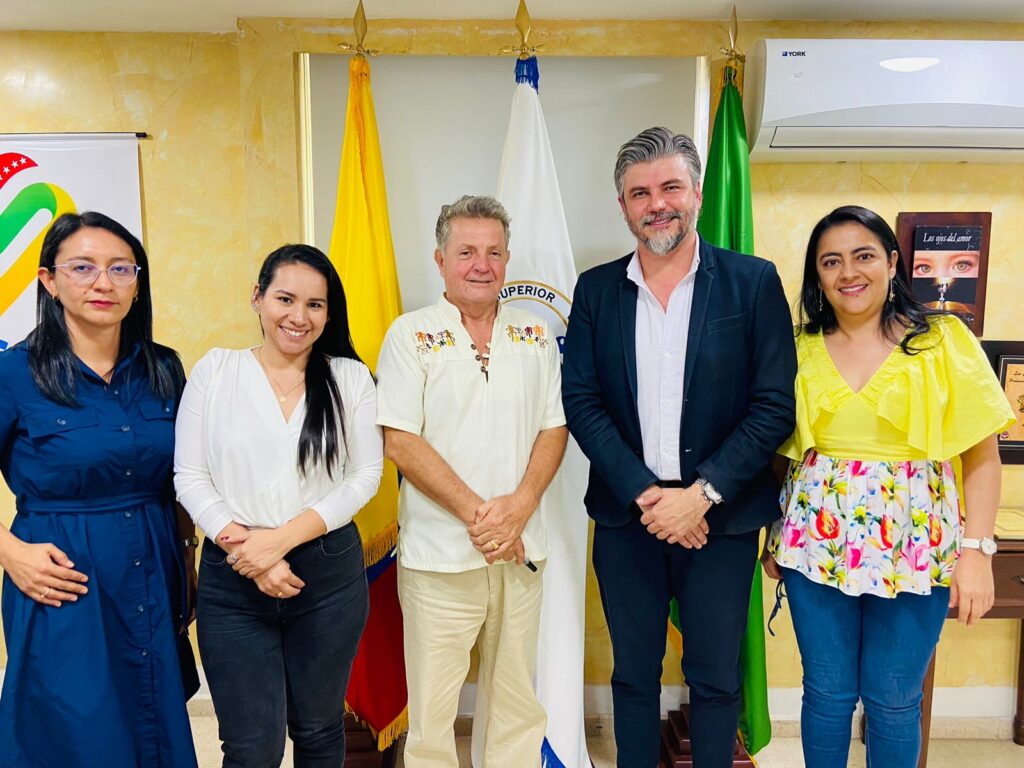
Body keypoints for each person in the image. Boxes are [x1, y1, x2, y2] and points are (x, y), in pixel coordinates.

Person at [561, 127, 796, 768]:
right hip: (627, 517)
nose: (656, 203)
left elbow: (774, 405)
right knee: (633, 675)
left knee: (716, 678)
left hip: (720, 520)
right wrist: (649, 495)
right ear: (623, 205)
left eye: (670, 187)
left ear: (696, 193)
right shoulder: (596, 289)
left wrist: (701, 496)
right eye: (640, 193)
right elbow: (582, 401)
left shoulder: (752, 283)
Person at [760, 205, 1014, 768]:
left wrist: (978, 552)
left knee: (894, 700)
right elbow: (780, 454)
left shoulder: (942, 340)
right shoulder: (796, 347)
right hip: (814, 540)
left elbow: (982, 455)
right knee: (826, 693)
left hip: (915, 540)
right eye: (831, 261)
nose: (849, 272)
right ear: (817, 275)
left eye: (864, 256)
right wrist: (775, 533)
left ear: (893, 262)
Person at [0, 211, 199, 767]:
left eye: (120, 268)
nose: (103, 283)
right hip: (62, 574)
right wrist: (10, 552)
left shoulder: (163, 368)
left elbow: (186, 476)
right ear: (49, 280)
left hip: (153, 565)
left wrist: (188, 561)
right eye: (83, 268)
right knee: (74, 728)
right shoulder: (13, 373)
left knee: (151, 715)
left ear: (137, 282)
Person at [375, 195, 567, 768]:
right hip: (439, 559)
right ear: (440, 260)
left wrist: (520, 508)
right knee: (433, 715)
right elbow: (400, 441)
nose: (481, 265)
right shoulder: (409, 334)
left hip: (520, 551)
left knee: (516, 705)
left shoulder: (536, 334)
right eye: (466, 252)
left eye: (493, 252)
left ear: (507, 259)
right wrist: (484, 519)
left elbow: (554, 427)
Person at [174, 244, 382, 767]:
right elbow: (189, 476)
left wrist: (279, 542)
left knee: (318, 730)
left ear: (329, 314)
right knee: (252, 747)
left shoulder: (350, 378)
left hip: (327, 574)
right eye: (285, 299)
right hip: (233, 573)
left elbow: (364, 477)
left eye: (315, 304)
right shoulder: (216, 371)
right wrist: (248, 549)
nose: (298, 316)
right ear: (258, 298)